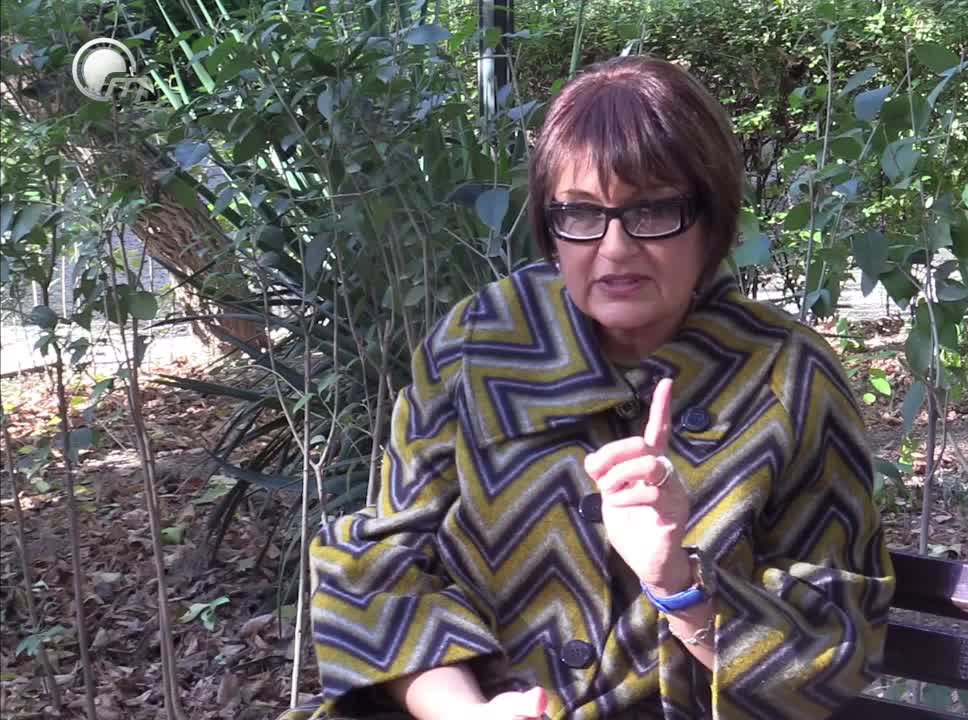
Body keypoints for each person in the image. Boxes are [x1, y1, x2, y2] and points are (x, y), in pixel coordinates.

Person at [287, 55, 895, 720]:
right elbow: (383, 561)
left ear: (713, 219)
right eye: (579, 213)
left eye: (653, 210)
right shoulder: (482, 342)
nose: (614, 248)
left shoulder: (787, 375)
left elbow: (838, 642)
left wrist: (678, 584)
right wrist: (466, 713)